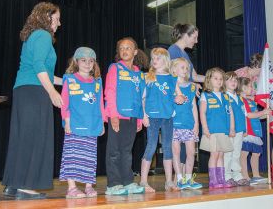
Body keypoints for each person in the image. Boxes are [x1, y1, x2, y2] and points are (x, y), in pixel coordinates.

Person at [2, 2, 63, 200]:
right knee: (37, 138)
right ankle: (27, 188)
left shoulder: (34, 36)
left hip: (24, 90)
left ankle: (14, 184)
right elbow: (39, 67)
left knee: (23, 137)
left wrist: (68, 82)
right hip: (35, 91)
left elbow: (44, 71)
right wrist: (53, 93)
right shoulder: (43, 35)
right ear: (47, 18)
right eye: (56, 19)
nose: (59, 23)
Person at [59, 47, 106, 198]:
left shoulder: (97, 82)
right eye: (83, 60)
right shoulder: (69, 79)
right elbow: (65, 102)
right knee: (73, 155)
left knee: (89, 156)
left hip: (92, 125)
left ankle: (88, 186)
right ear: (76, 61)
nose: (87, 63)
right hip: (74, 125)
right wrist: (67, 122)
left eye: (91, 61)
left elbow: (100, 104)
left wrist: (102, 123)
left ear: (94, 63)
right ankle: (71, 188)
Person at [104, 37, 146, 195]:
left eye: (128, 48)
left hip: (133, 117)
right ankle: (113, 184)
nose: (124, 51)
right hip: (118, 115)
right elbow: (110, 91)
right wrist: (113, 114)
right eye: (121, 48)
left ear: (135, 52)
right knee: (114, 151)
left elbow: (140, 97)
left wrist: (140, 118)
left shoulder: (139, 73)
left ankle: (127, 182)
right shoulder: (115, 68)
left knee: (127, 151)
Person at [140, 48, 185, 193]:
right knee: (151, 146)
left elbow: (180, 95)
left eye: (158, 58)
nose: (154, 61)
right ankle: (143, 181)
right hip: (152, 116)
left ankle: (169, 181)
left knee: (167, 147)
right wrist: (144, 116)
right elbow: (143, 98)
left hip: (167, 117)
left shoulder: (172, 78)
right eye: (153, 58)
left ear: (165, 60)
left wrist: (179, 98)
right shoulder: (148, 77)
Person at [168, 23, 205, 179]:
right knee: (177, 148)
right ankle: (179, 178)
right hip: (178, 105)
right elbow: (173, 76)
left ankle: (184, 178)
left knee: (186, 149)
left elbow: (194, 76)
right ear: (186, 35)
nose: (196, 41)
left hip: (187, 105)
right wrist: (191, 84)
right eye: (194, 37)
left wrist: (216, 78)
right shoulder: (173, 51)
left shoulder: (184, 53)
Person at [199, 68, 235, 189]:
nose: (219, 81)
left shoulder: (225, 96)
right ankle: (213, 181)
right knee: (214, 155)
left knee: (221, 155)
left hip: (223, 131)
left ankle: (221, 179)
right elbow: (202, 113)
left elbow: (230, 113)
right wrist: (205, 128)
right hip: (212, 130)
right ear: (209, 80)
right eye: (216, 78)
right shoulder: (206, 95)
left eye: (221, 79)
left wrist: (231, 128)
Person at [170, 58, 202, 190]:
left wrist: (196, 124)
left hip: (189, 124)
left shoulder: (192, 86)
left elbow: (194, 106)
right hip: (174, 125)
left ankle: (189, 179)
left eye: (186, 68)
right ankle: (179, 179)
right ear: (174, 69)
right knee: (176, 152)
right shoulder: (170, 84)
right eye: (182, 67)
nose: (185, 70)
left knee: (190, 153)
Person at [238, 77, 271, 185]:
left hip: (256, 131)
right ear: (243, 88)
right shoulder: (240, 100)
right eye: (250, 86)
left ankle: (256, 175)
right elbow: (248, 115)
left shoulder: (251, 101)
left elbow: (256, 116)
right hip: (247, 131)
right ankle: (245, 176)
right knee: (244, 153)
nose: (252, 88)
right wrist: (262, 113)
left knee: (256, 153)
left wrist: (266, 114)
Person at [223, 72, 245, 187]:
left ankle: (237, 175)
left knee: (236, 153)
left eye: (235, 80)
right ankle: (227, 175)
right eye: (230, 80)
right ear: (224, 82)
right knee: (228, 153)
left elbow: (243, 114)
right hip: (229, 130)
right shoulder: (223, 96)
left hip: (240, 129)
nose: (233, 82)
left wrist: (244, 129)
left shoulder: (239, 98)